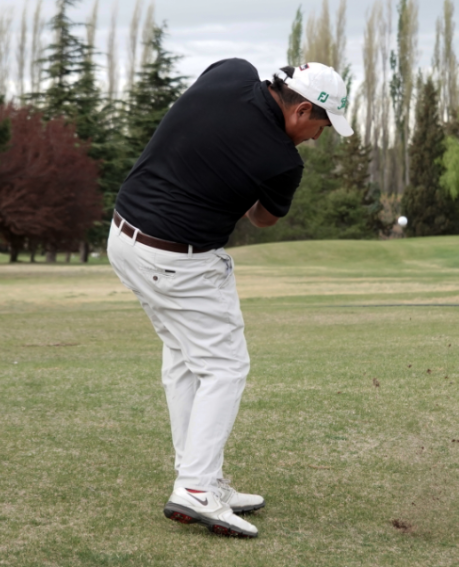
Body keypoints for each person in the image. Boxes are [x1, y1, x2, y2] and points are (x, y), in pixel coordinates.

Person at [106, 59, 352, 539]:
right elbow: (263, 218)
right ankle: (196, 488)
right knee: (224, 368)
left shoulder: (231, 72)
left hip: (124, 237)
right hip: (177, 259)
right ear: (302, 110)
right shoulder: (283, 163)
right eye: (322, 126)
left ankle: (201, 476)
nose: (317, 138)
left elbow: (197, 124)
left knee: (184, 360)